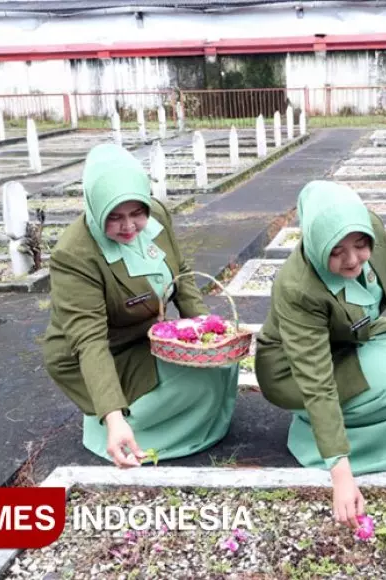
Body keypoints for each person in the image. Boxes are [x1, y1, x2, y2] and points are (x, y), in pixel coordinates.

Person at [254, 180, 386, 528]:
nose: (352, 260)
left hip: (349, 337)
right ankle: (326, 441)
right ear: (316, 244)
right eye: (336, 252)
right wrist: (341, 476)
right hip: (292, 369)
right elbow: (316, 381)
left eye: (360, 246)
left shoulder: (370, 227)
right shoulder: (297, 287)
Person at [43, 143, 239, 469]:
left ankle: (202, 427)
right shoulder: (74, 255)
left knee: (220, 362)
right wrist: (112, 414)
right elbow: (90, 341)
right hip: (101, 350)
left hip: (145, 334)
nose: (129, 226)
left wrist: (206, 328)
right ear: (94, 207)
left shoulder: (156, 215)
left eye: (137, 213)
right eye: (115, 217)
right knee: (194, 384)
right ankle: (121, 429)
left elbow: (182, 273)